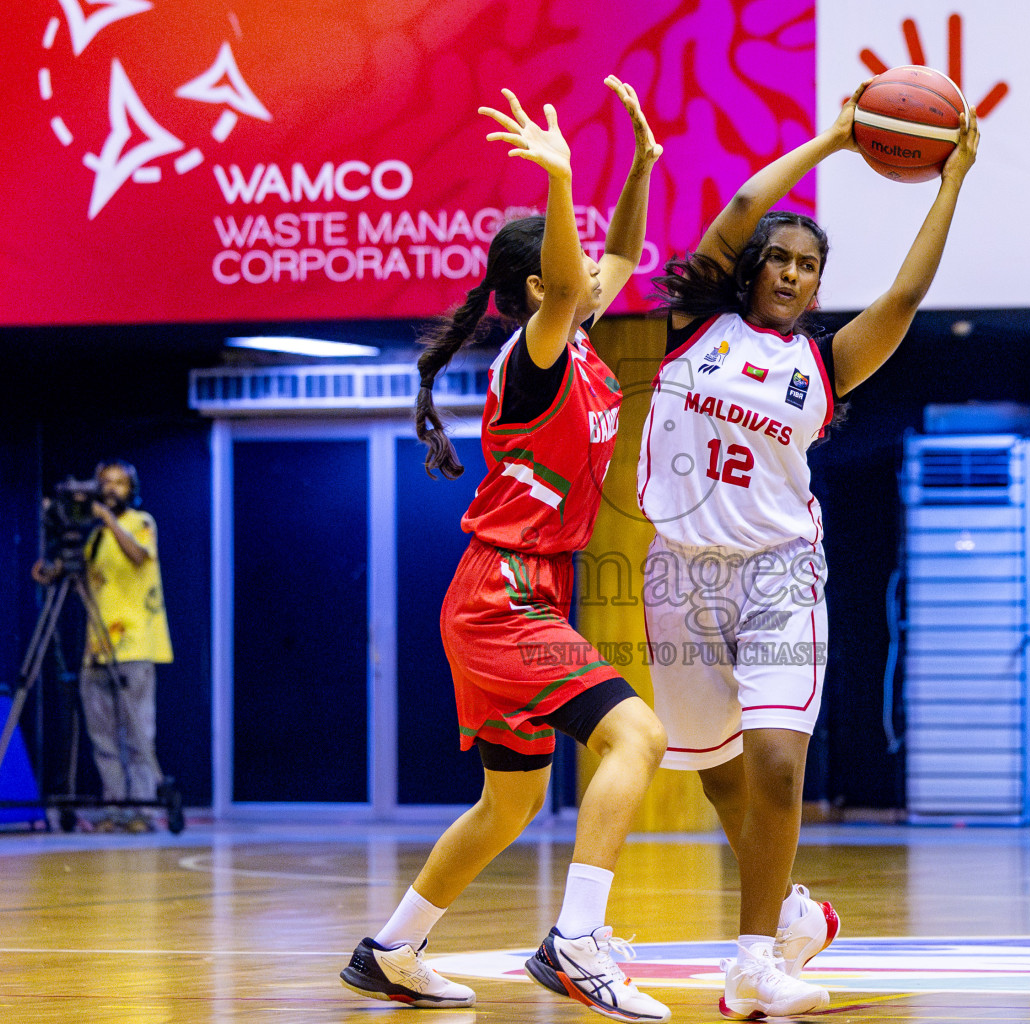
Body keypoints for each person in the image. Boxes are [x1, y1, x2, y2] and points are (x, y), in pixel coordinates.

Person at [636, 82, 979, 1019]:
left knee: (780, 763)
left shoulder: (823, 364)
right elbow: (743, 207)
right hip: (676, 574)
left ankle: (751, 964)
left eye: (807, 267)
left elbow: (907, 295)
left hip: (779, 576)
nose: (789, 272)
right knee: (720, 780)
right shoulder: (694, 326)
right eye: (778, 260)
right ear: (751, 271)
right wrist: (831, 141)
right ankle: (787, 909)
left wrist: (950, 180)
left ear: (819, 287)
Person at [339, 77, 672, 1021]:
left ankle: (391, 952)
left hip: (516, 594)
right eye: (565, 283)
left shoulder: (577, 337)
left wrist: (639, 168)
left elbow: (604, 260)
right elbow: (574, 279)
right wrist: (562, 177)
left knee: (510, 804)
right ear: (536, 292)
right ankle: (575, 942)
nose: (591, 286)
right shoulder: (537, 353)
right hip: (504, 598)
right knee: (635, 733)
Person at [33, 459, 172, 833]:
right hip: (97, 646)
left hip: (135, 644)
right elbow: (65, 569)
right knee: (104, 738)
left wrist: (107, 520)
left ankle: (141, 809)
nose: (111, 490)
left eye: (119, 484)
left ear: (131, 489)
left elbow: (138, 556)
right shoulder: (92, 536)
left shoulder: (140, 523)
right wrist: (50, 569)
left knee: (139, 734)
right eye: (104, 483)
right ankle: (115, 806)